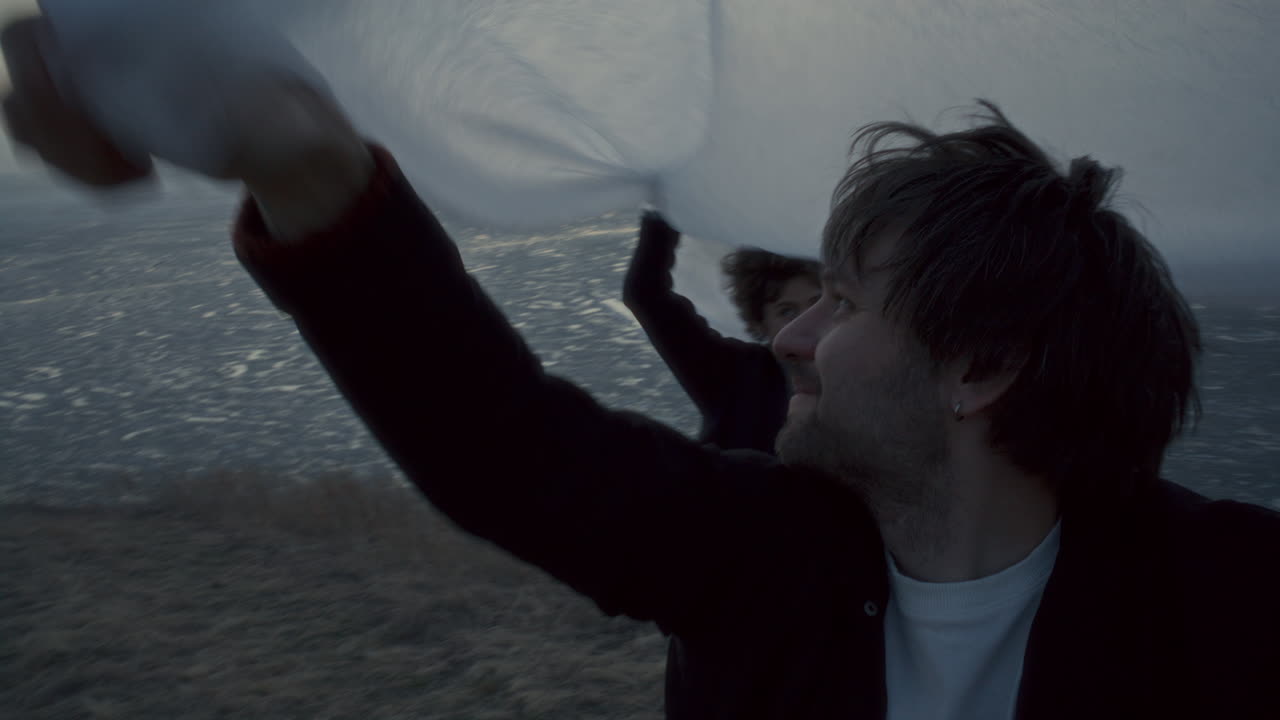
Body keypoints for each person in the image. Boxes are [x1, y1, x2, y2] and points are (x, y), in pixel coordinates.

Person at [5, 14, 1278, 719]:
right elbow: (502, 444)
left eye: (842, 303)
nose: (787, 336)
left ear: (980, 365)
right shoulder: (766, 559)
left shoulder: (1226, 602)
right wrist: (295, 156)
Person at [623, 212, 820, 452]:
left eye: (816, 303)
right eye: (786, 311)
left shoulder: (858, 370)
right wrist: (664, 207)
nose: (807, 321)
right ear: (760, 325)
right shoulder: (733, 373)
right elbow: (645, 293)